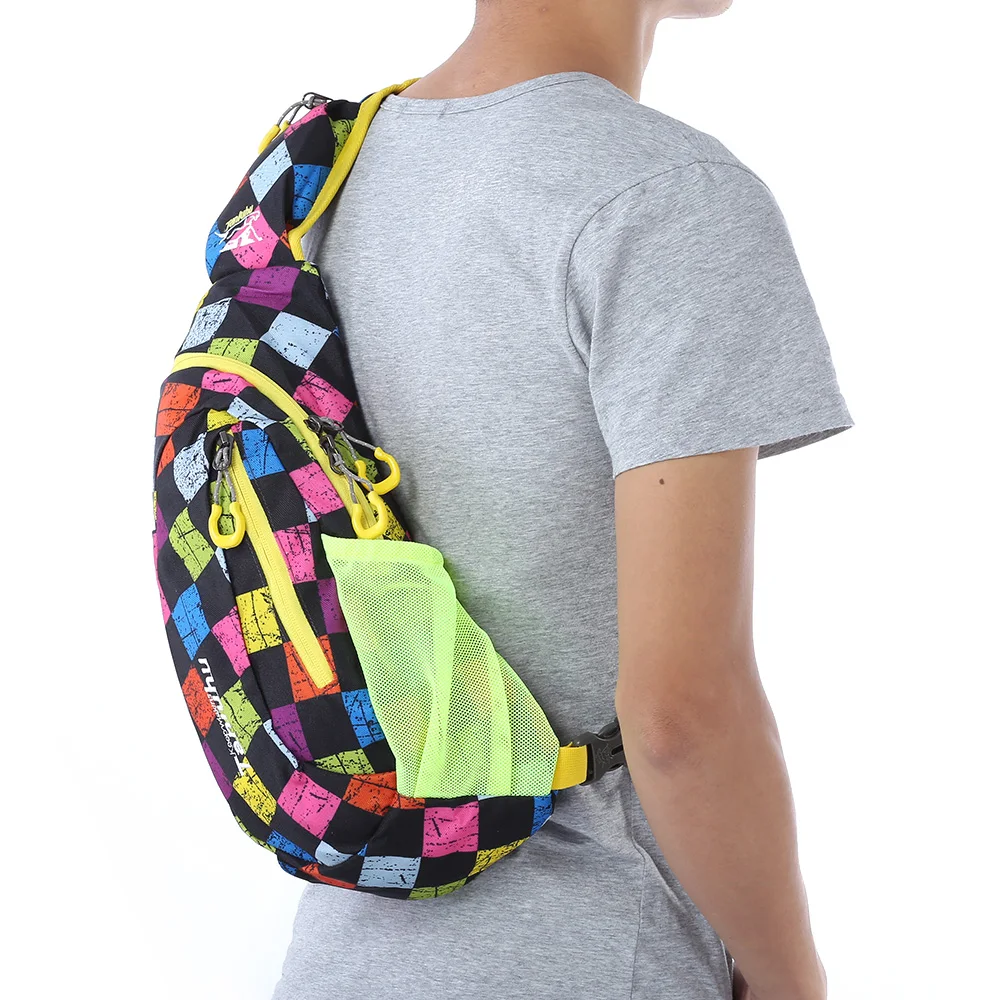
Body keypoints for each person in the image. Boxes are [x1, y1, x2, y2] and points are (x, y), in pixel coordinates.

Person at [274, 1, 854, 998]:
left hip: (348, 944)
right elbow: (680, 715)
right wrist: (790, 980)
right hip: (588, 952)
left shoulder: (330, 171)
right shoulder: (667, 196)